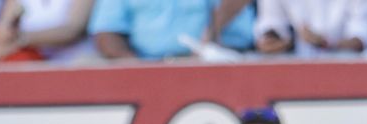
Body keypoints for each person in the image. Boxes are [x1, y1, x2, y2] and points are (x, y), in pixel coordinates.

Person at [89, 0, 256, 59]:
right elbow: (106, 30)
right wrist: (133, 65)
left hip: (223, 61)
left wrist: (212, 34)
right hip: (150, 67)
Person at [254, 0, 367, 56]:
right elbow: (271, 24)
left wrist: (328, 44)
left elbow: (364, 36)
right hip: (294, 69)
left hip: (349, 70)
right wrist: (273, 42)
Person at [0, 0, 94, 62]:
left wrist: (22, 40)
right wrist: (6, 32)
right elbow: (2, 35)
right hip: (31, 67)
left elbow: (73, 29)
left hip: (73, 63)